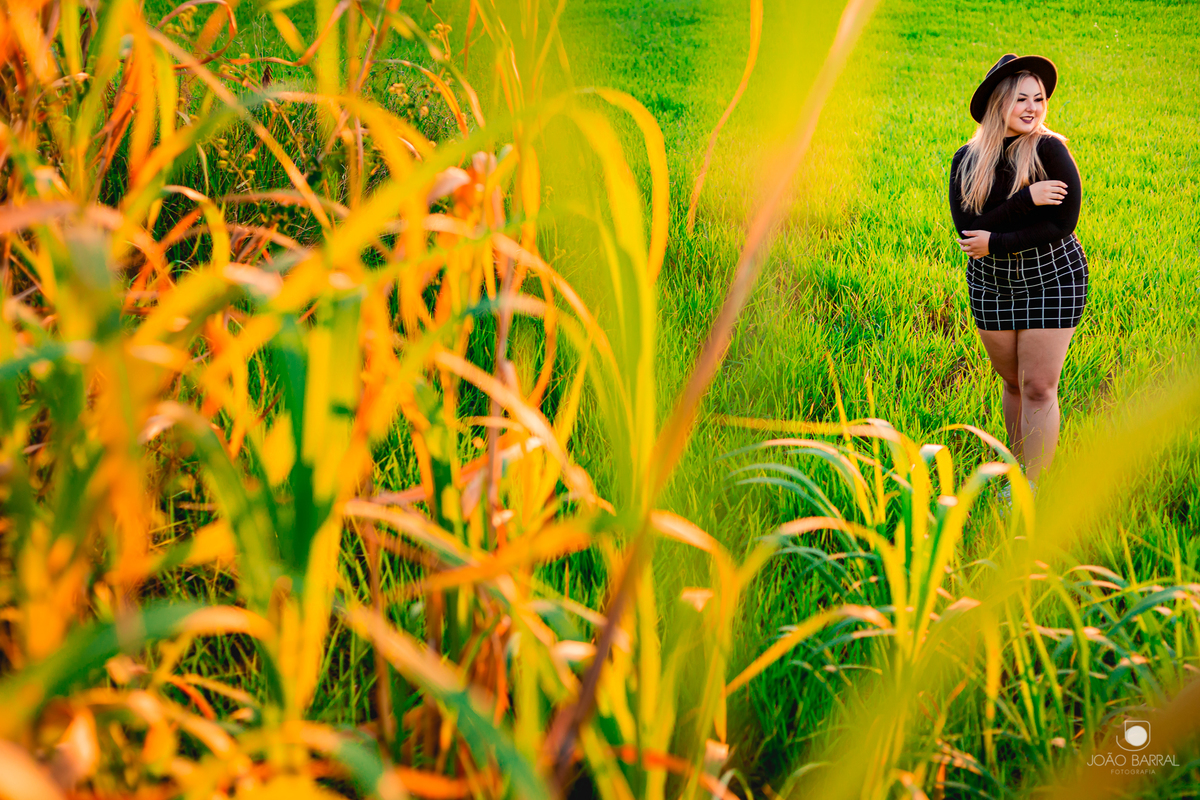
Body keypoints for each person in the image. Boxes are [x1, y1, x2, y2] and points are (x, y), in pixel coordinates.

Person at [948, 53, 1087, 487]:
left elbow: (1063, 224)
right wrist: (1025, 202)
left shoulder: (1049, 150)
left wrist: (998, 239)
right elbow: (970, 233)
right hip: (991, 284)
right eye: (1021, 99)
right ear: (997, 104)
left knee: (1039, 387)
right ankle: (1017, 468)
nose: (1033, 108)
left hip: (1052, 277)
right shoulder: (966, 160)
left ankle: (1033, 486)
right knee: (1012, 383)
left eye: (1039, 99)